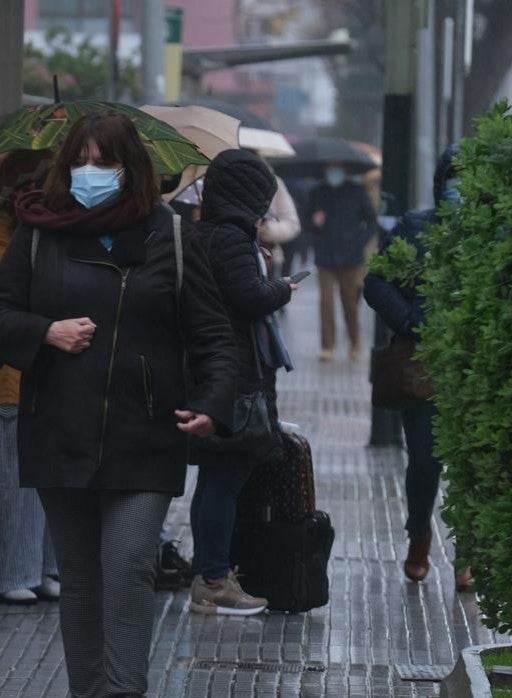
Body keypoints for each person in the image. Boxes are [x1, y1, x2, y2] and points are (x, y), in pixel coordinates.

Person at [0, 111, 237, 698]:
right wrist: (45, 331)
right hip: (59, 432)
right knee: (82, 582)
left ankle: (123, 690)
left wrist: (212, 404)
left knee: (128, 571)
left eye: (105, 162)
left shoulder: (170, 234)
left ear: (132, 169)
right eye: (80, 161)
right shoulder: (38, 233)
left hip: (147, 435)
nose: (90, 172)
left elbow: (214, 336)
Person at [190, 149, 300, 616]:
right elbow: (247, 298)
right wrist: (281, 287)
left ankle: (213, 572)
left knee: (217, 477)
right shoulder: (231, 239)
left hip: (217, 370)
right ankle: (214, 577)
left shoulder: (207, 234)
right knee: (225, 477)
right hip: (234, 375)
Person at [363, 144, 472, 590]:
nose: (458, 187)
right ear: (440, 180)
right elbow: (376, 282)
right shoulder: (415, 227)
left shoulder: (496, 232)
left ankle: (470, 548)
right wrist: (410, 319)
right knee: (425, 459)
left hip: (475, 368)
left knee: (474, 464)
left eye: (468, 177)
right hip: (422, 365)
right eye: (453, 176)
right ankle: (419, 533)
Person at [0, 151, 60, 605]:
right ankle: (14, 571)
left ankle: (48, 566)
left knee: (50, 481)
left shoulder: (59, 229)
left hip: (54, 373)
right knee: (16, 483)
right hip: (11, 376)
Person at [306, 162, 379, 362]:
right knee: (326, 302)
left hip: (351, 257)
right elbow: (306, 222)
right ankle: (327, 346)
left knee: (350, 303)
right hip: (324, 255)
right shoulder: (318, 192)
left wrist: (360, 242)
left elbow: (372, 221)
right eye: (330, 168)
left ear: (345, 170)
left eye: (338, 168)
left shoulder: (357, 191)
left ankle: (355, 342)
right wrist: (315, 223)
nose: (334, 172)